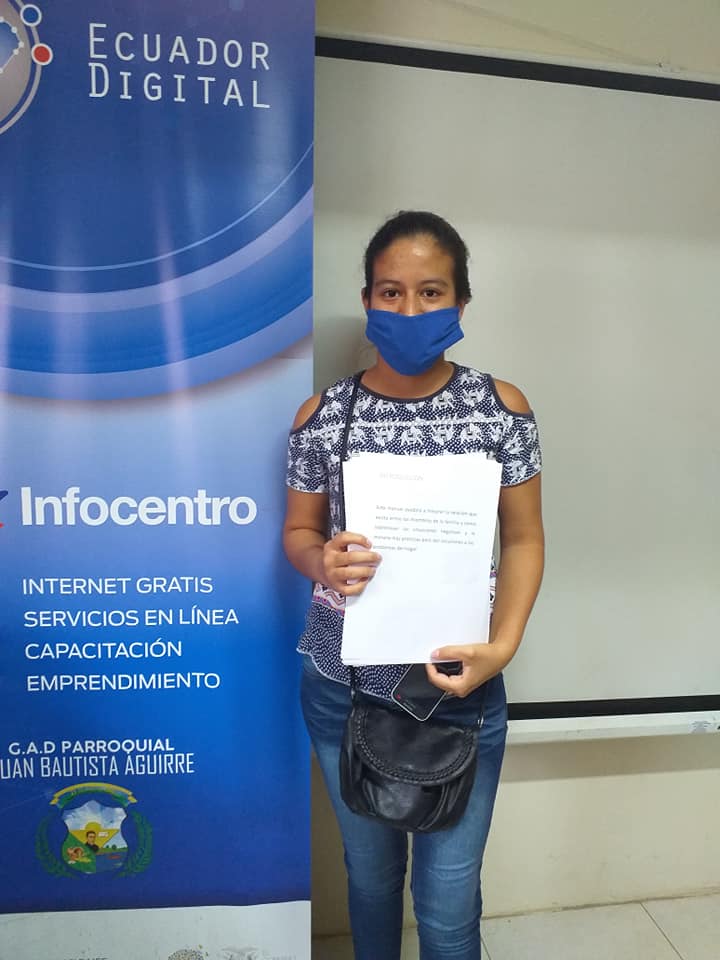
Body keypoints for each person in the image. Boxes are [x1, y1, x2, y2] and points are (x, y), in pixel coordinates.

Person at [283, 210, 544, 960]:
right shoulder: (323, 415)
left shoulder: (502, 409)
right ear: (367, 299)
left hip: (458, 687)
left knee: (449, 903)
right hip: (343, 687)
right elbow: (299, 534)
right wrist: (322, 562)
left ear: (461, 302)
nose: (408, 310)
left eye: (431, 292)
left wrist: (501, 649)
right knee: (370, 880)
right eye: (390, 292)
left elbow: (524, 538)